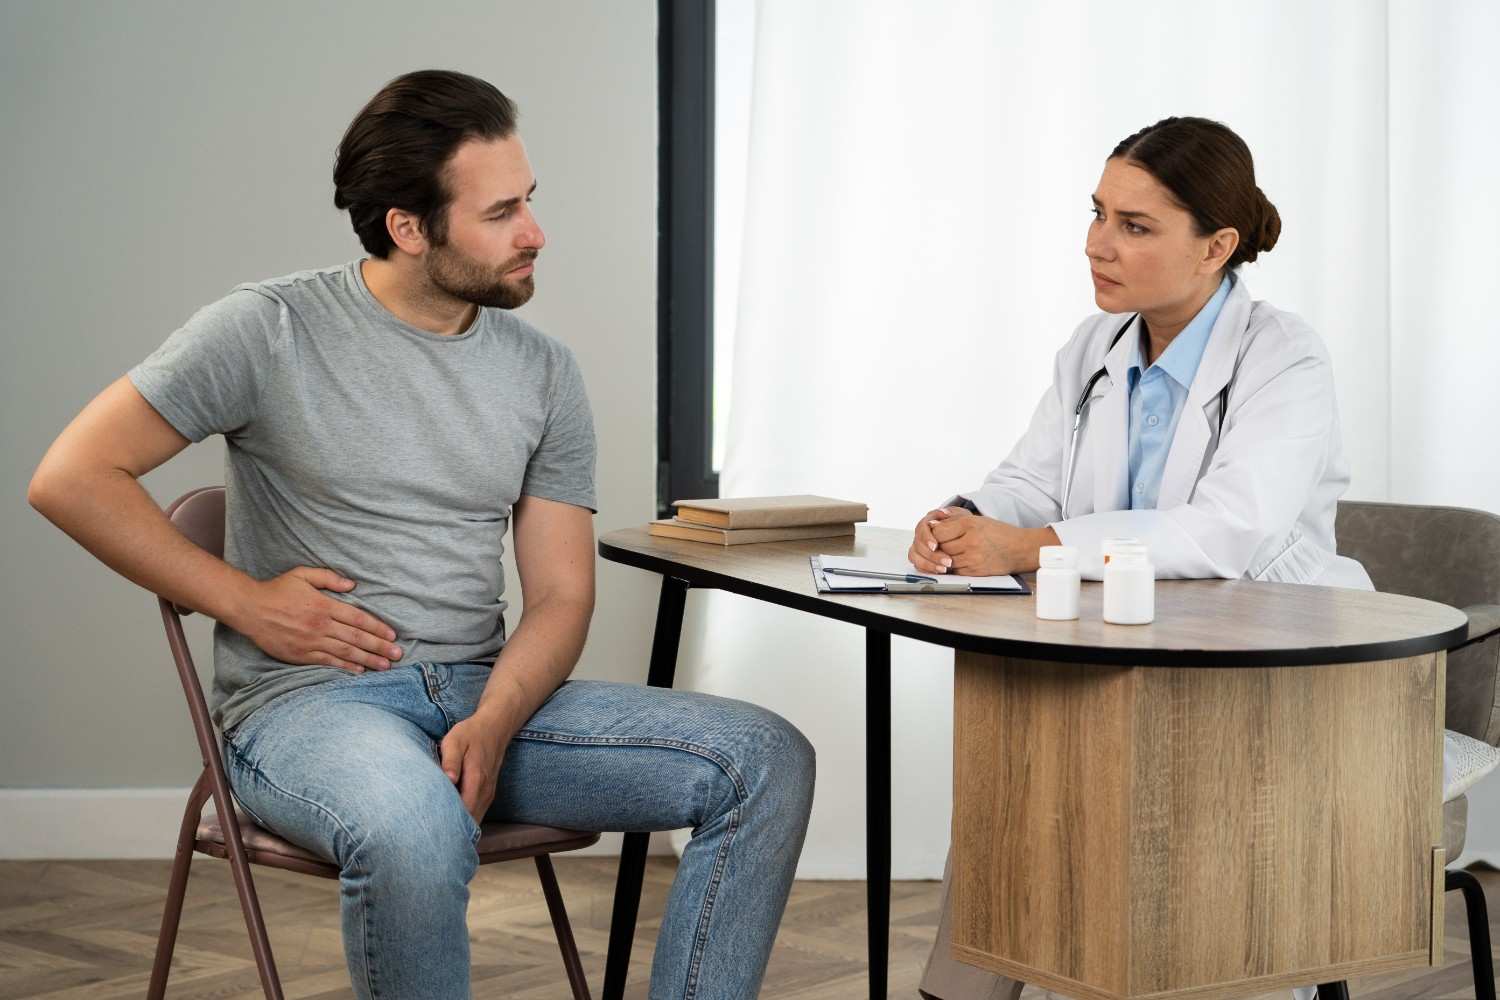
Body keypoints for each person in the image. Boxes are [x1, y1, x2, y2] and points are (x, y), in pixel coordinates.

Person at [28, 69, 814, 1000]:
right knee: (414, 828)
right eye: (502, 212)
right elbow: (70, 478)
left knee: (765, 760)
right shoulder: (267, 329)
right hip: (312, 708)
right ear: (409, 226)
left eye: (532, 202)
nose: (536, 233)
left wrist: (496, 719)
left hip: (491, 699)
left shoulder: (543, 373)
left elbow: (562, 595)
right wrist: (244, 602)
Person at [910, 117, 1368, 1000]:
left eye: (1135, 225)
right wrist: (968, 518)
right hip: (1131, 660)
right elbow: (1029, 484)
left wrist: (1032, 547)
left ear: (1216, 247)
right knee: (1016, 774)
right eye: (1097, 213)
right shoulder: (1094, 348)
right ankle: (964, 992)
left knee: (1107, 789)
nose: (1097, 245)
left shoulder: (1284, 357)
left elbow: (1229, 529)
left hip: (1269, 672)